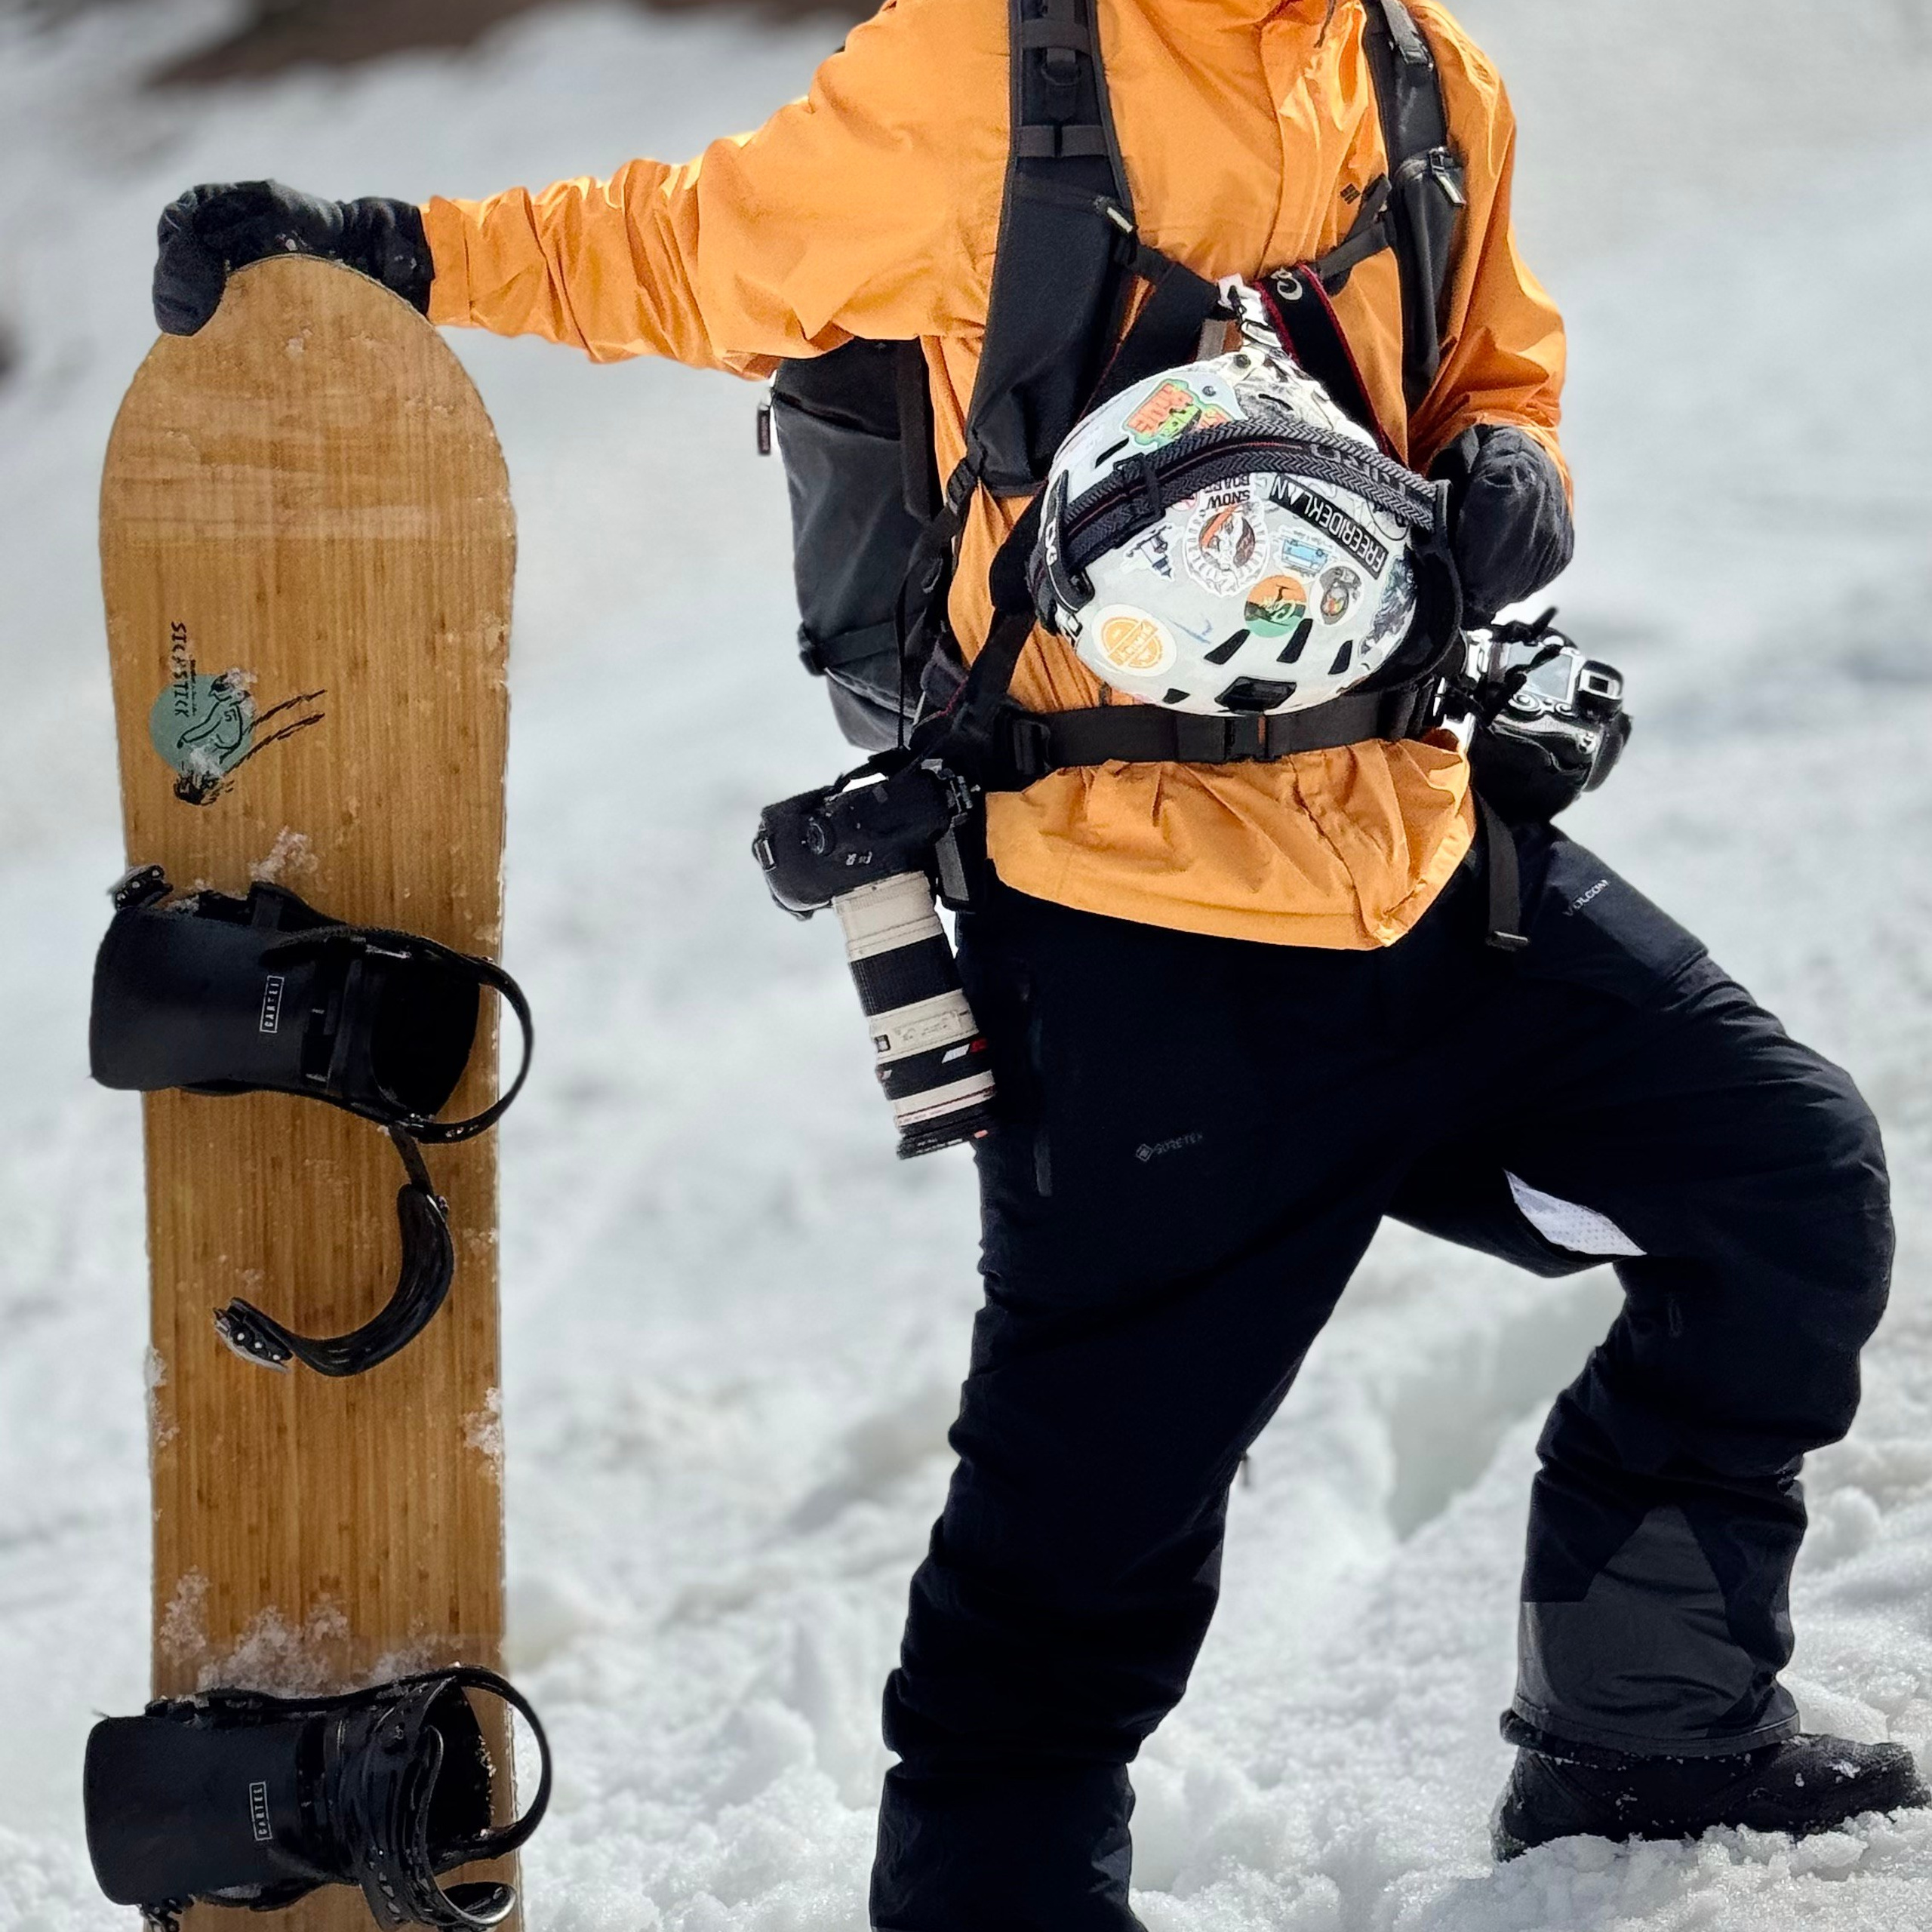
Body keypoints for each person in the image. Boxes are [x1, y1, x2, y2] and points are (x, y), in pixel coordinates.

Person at [152, 1, 1927, 1923]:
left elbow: (1493, 354)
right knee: (1078, 1549)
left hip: (1435, 866)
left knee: (1781, 1182)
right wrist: (379, 251)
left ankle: (1641, 1726)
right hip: (1133, 942)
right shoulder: (988, 70)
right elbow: (681, 246)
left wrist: (1514, 458)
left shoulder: (1421, 72)